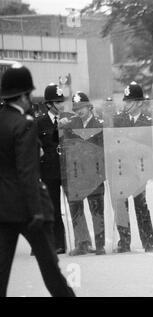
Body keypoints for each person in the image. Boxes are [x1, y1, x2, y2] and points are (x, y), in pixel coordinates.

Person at [0, 64, 75, 297]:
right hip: (28, 210)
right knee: (52, 272)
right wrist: (38, 211)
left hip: (2, 208)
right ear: (23, 96)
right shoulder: (25, 124)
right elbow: (27, 171)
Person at [113, 82, 153, 253]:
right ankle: (124, 242)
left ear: (139, 102)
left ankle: (149, 242)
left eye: (129, 101)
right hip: (122, 170)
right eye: (125, 101)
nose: (126, 104)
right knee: (121, 205)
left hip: (139, 170)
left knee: (141, 205)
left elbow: (151, 147)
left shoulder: (147, 122)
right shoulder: (118, 120)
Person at [63, 92, 106, 256]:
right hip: (77, 174)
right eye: (76, 108)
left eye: (81, 107)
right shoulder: (70, 125)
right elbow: (67, 149)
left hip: (95, 174)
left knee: (97, 209)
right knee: (76, 208)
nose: (78, 110)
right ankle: (82, 243)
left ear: (89, 106)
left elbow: (104, 150)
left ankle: (100, 244)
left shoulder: (100, 124)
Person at [36, 83, 73, 254]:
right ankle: (59, 243)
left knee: (74, 206)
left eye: (62, 101)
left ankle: (82, 241)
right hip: (49, 172)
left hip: (67, 170)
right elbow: (37, 148)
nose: (61, 105)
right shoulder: (39, 123)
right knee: (54, 209)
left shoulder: (70, 119)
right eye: (57, 102)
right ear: (49, 104)